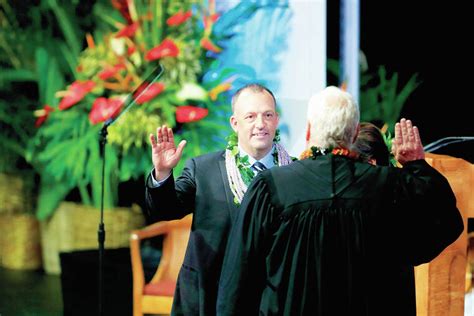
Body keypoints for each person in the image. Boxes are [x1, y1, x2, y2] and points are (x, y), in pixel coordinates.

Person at [216, 86, 463, 315]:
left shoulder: (272, 187)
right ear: (355, 132)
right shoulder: (391, 186)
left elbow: (241, 275)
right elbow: (445, 222)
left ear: (310, 130)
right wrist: (416, 166)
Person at [144, 83, 294, 315]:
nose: (260, 124)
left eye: (267, 115)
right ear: (235, 123)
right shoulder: (203, 169)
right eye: (250, 117)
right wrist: (163, 174)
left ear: (276, 120)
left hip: (272, 296)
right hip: (210, 294)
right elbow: (166, 210)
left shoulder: (296, 171)